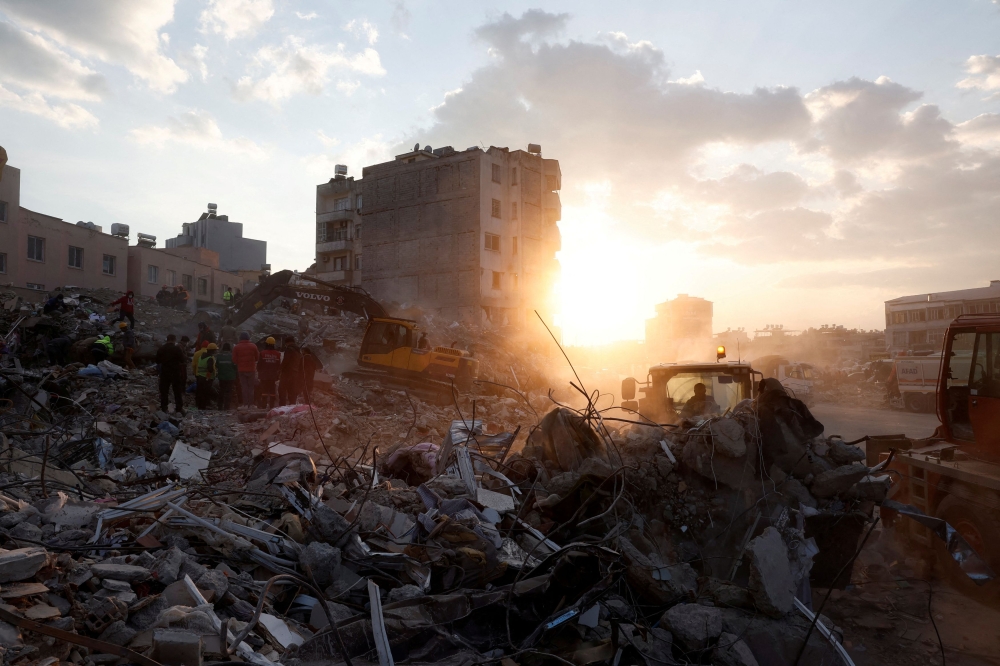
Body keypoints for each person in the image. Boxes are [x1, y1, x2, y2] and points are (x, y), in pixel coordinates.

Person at [156, 334, 187, 416]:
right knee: (177, 391)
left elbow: (157, 361)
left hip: (164, 372)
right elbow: (182, 359)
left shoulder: (161, 349)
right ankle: (179, 408)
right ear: (174, 340)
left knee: (164, 391)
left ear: (167, 339)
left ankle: (164, 408)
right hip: (175, 372)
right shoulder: (177, 349)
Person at [233, 332, 260, 409]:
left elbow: (234, 360)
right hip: (251, 369)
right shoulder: (253, 346)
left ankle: (245, 405)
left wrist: (240, 362)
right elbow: (257, 358)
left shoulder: (236, 347)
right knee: (251, 387)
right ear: (248, 338)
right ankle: (251, 404)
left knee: (244, 387)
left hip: (241, 370)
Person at [257, 337, 282, 409]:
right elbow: (278, 365)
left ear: (266, 343)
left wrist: (259, 372)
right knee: (272, 391)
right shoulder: (277, 354)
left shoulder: (262, 353)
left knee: (264, 391)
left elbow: (259, 365)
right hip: (273, 376)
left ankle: (263, 405)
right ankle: (271, 406)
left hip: (264, 375)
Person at [279, 336, 303, 406]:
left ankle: (282, 406)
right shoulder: (298, 351)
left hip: (287, 373)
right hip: (295, 374)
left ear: (287, 342)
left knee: (282, 390)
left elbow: (285, 361)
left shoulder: (289, 349)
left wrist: (279, 369)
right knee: (292, 391)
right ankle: (292, 406)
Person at [195, 343, 218, 410]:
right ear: (213, 350)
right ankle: (203, 407)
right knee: (205, 393)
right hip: (206, 378)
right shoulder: (210, 358)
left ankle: (200, 407)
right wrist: (209, 377)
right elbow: (210, 369)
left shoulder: (201, 357)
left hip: (199, 377)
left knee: (200, 392)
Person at [216, 343, 238, 410]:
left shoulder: (219, 356)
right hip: (230, 377)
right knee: (228, 392)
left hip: (221, 377)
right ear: (230, 349)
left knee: (221, 391)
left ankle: (219, 407)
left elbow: (217, 366)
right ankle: (226, 407)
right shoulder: (232, 356)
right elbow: (235, 367)